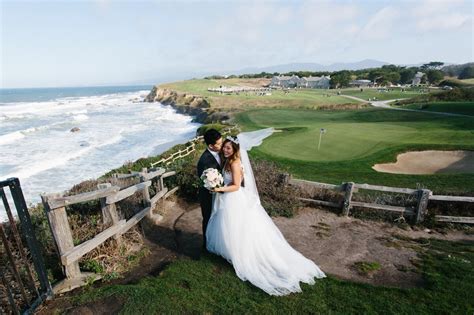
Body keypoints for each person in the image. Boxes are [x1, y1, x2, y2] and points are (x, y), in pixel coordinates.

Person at [205, 128, 325, 296]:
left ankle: (243, 254)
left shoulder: (234, 163)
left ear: (235, 150)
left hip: (234, 198)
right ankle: (231, 251)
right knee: (230, 227)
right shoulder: (227, 161)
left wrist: (219, 188)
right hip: (227, 198)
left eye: (228, 148)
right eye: (224, 146)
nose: (225, 149)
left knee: (237, 227)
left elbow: (237, 185)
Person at [197, 129, 224, 250]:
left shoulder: (221, 152)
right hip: (208, 196)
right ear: (211, 146)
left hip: (222, 193)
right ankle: (207, 245)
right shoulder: (204, 161)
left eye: (221, 142)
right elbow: (207, 183)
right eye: (219, 144)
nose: (222, 145)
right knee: (208, 219)